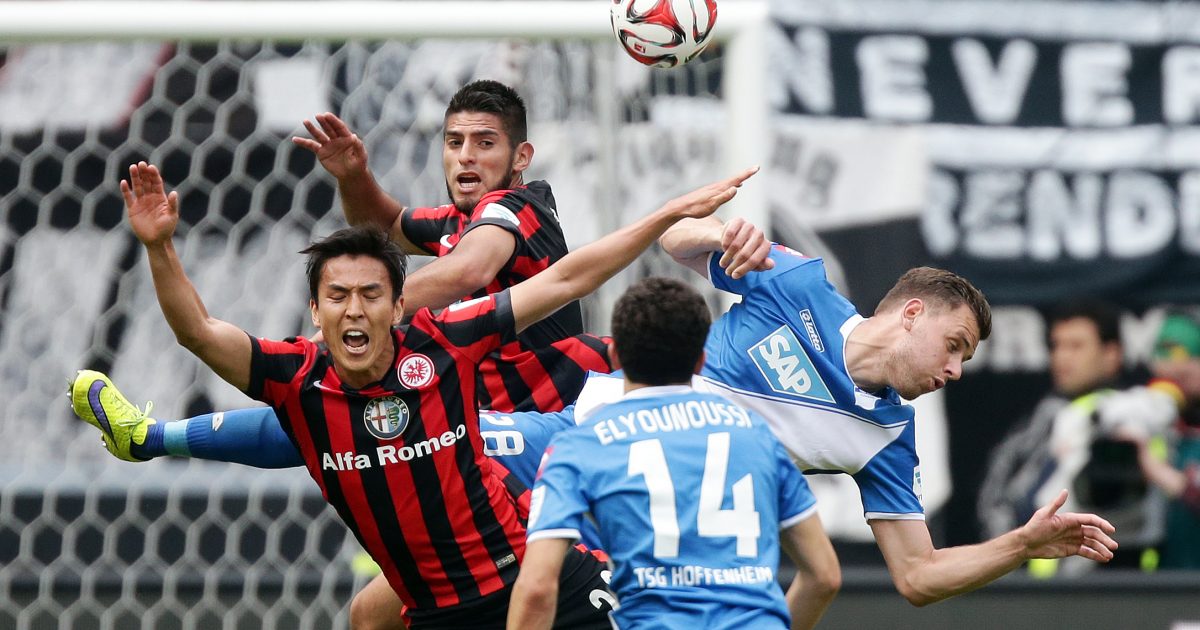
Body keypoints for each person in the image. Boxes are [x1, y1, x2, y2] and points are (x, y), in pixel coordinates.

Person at [100, 159, 755, 627]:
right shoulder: (296, 380)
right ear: (314, 312)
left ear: (398, 306)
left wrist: (667, 212)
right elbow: (198, 332)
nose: (353, 311)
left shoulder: (444, 342)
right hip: (438, 615)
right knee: (366, 611)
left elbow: (564, 281)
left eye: (370, 296)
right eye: (337, 297)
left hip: (550, 591)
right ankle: (151, 438)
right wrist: (160, 247)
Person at [638, 216, 1120, 605]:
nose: (954, 371)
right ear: (911, 315)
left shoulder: (888, 438)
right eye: (954, 346)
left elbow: (918, 576)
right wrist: (722, 233)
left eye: (964, 360)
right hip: (600, 429)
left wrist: (1021, 545)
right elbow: (674, 240)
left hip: (663, 519)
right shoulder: (799, 284)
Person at [508, 278, 839, 630]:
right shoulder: (757, 437)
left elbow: (537, 588)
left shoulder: (578, 446)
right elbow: (824, 576)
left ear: (616, 355)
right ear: (700, 362)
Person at [1118, 311, 1200, 569]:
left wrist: (1160, 473)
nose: (1174, 371)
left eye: (1184, 376)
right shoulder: (1157, 429)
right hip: (1163, 587)